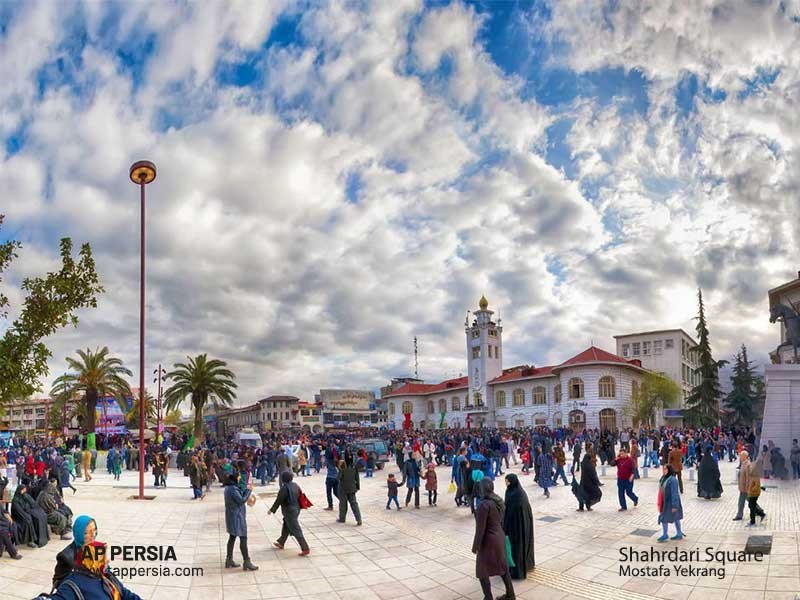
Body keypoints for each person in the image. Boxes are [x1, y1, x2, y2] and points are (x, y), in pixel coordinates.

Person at [46, 541, 143, 600]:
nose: (107, 560)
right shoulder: (73, 584)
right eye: (102, 558)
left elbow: (124, 593)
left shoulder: (106, 574)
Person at [472, 479, 515, 600]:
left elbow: (480, 529)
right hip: (499, 536)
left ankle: (488, 597)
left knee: (482, 570)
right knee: (502, 567)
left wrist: (476, 546)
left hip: (488, 540)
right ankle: (511, 595)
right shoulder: (498, 500)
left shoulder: (484, 504)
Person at [270, 471, 310, 556]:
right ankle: (281, 542)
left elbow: (279, 500)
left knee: (295, 528)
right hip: (296, 509)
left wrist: (272, 510)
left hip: (289, 510)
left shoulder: (284, 488)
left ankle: (305, 548)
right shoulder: (295, 485)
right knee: (286, 524)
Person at [223, 470, 258, 570]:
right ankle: (247, 561)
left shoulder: (229, 488)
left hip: (232, 516)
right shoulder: (233, 489)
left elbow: (239, 496)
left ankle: (229, 559)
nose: (239, 478)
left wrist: (245, 490)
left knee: (232, 537)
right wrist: (249, 491)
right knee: (243, 537)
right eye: (238, 477)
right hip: (237, 517)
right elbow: (241, 500)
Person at [53, 515, 97, 591]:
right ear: (79, 533)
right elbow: (58, 583)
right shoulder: (66, 557)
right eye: (87, 532)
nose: (93, 535)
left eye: (94, 530)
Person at [503, 474, 534, 580]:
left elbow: (519, 510)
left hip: (519, 525)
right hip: (512, 525)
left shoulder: (519, 495)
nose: (506, 483)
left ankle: (518, 571)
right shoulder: (510, 491)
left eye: (507, 481)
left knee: (519, 546)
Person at [11, 481, 50, 548]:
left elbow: (33, 504)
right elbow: (18, 511)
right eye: (23, 489)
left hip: (26, 512)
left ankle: (42, 538)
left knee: (41, 516)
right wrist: (27, 516)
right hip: (19, 516)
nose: (25, 490)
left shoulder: (25, 496)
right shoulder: (15, 500)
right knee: (29, 521)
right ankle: (31, 540)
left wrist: (27, 500)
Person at [657, 464, 684, 541]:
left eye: (665, 469)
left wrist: (675, 506)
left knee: (676, 517)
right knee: (664, 518)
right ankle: (665, 534)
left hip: (671, 502)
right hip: (664, 502)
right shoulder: (663, 478)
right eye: (663, 469)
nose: (664, 471)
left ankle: (679, 533)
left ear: (669, 470)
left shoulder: (672, 480)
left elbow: (675, 493)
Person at [337, 456, 362, 525]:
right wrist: (357, 487)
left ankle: (342, 518)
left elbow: (338, 478)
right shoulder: (354, 468)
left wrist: (339, 470)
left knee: (343, 505)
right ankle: (359, 519)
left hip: (343, 489)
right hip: (352, 488)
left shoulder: (342, 470)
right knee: (354, 504)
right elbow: (357, 478)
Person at [746, 458, 766, 527]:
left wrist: (751, 490)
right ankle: (761, 514)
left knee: (752, 507)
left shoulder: (755, 475)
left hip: (754, 494)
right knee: (751, 506)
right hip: (752, 493)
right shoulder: (752, 475)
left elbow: (757, 485)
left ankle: (753, 522)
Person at [733, 451, 751, 521]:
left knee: (741, 502)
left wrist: (747, 487)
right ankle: (759, 510)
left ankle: (739, 515)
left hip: (745, 488)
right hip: (742, 487)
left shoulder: (747, 465)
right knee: (750, 500)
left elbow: (748, 478)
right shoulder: (743, 464)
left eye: (741, 456)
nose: (740, 457)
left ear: (745, 456)